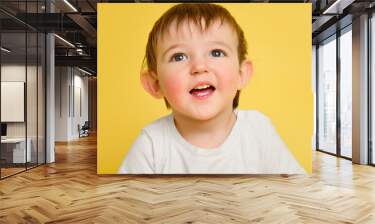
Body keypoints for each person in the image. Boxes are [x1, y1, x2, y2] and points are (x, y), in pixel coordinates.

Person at [119, 3, 305, 174]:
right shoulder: (151, 144)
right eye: (178, 57)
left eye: (216, 53)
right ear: (155, 84)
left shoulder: (259, 129)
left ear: (241, 74)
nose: (199, 66)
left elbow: (296, 191)